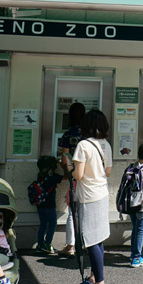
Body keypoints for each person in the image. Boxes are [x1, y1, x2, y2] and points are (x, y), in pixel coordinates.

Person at [70, 110, 113, 284]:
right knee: (99, 238)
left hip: (89, 197)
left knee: (92, 240)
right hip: (102, 194)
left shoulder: (83, 145)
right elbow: (108, 171)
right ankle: (93, 278)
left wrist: (69, 169)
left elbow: (78, 175)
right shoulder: (106, 145)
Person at [58, 102, 86, 257]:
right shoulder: (89, 134)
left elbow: (65, 158)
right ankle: (87, 244)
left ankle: (70, 246)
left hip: (75, 176)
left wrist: (66, 174)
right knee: (86, 211)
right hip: (88, 177)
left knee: (72, 211)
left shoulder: (68, 134)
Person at [35, 155, 64, 254]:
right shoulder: (53, 177)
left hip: (40, 205)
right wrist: (62, 165)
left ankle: (40, 244)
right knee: (52, 224)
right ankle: (48, 244)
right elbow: (67, 176)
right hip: (50, 206)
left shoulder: (39, 176)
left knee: (43, 225)